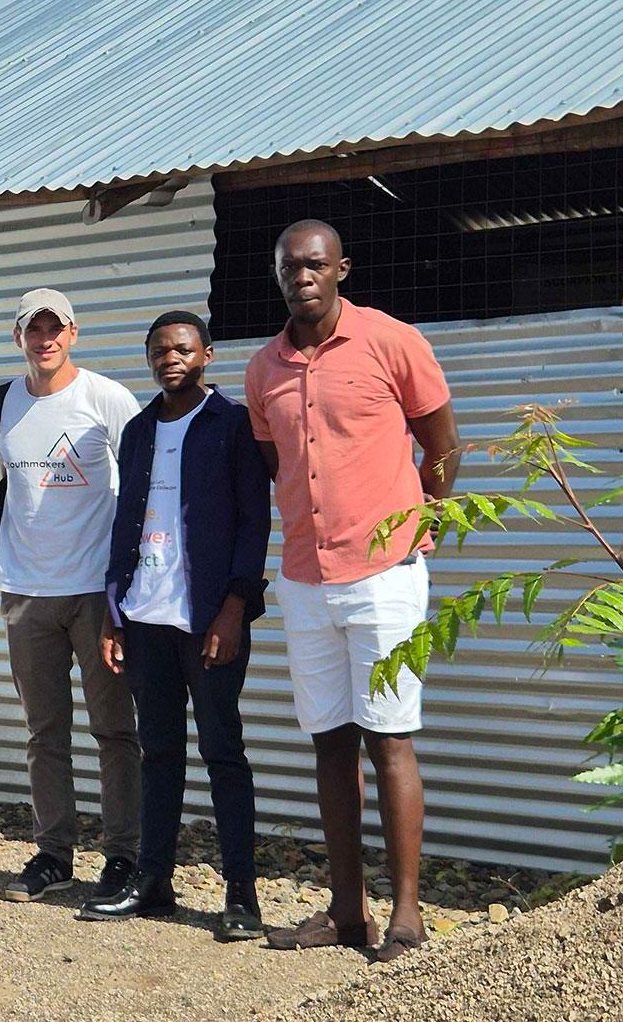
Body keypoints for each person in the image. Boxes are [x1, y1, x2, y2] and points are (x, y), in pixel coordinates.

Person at [247, 220, 459, 964]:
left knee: (389, 739)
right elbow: (279, 465)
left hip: (385, 575)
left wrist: (422, 526)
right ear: (276, 275)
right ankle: (346, 913)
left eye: (314, 264)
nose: (301, 275)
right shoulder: (262, 369)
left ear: (341, 268)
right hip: (306, 580)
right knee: (330, 745)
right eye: (288, 266)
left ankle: (405, 915)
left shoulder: (392, 342)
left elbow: (442, 446)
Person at [80, 311, 269, 940]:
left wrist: (236, 607)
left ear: (207, 355)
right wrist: (114, 616)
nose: (171, 358)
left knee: (223, 752)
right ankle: (153, 881)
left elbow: (254, 522)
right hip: (145, 619)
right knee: (157, 753)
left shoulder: (232, 423)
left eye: (183, 348)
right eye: (160, 350)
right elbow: (122, 526)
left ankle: (240, 896)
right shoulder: (136, 431)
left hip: (210, 619)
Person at [0, 287, 143, 906]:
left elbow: (141, 487)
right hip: (26, 595)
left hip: (95, 594)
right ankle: (54, 853)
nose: (45, 339)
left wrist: (126, 591)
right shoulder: (5, 399)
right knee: (43, 733)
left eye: (56, 328)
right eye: (33, 329)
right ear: (18, 337)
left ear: (74, 333)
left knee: (113, 731)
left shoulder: (106, 398)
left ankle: (123, 857)